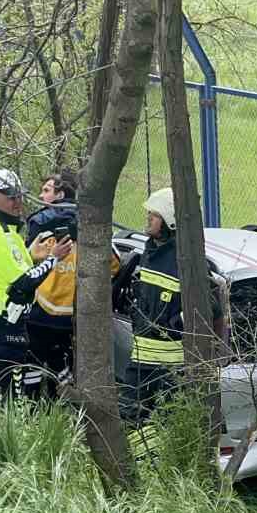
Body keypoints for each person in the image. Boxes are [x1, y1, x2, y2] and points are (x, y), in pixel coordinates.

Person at [113, 187, 218, 423]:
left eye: (154, 214)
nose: (148, 218)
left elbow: (213, 314)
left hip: (171, 371)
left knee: (170, 425)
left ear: (169, 221)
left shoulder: (188, 261)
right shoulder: (148, 254)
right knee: (130, 421)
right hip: (139, 364)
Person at [0, 168, 70, 400]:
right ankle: (6, 434)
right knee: (10, 395)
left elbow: (6, 267)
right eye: (11, 197)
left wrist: (30, 254)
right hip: (4, 322)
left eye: (19, 195)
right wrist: (54, 257)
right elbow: (24, 282)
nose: (18, 202)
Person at [20, 170, 116, 398]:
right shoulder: (90, 231)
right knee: (63, 371)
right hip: (72, 319)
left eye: (46, 190)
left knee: (33, 367)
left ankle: (34, 409)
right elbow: (114, 265)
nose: (41, 196)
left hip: (41, 313)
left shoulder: (43, 228)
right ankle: (63, 410)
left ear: (60, 193)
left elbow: (23, 261)